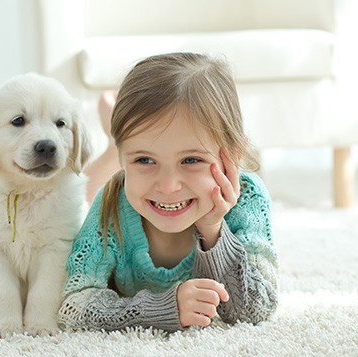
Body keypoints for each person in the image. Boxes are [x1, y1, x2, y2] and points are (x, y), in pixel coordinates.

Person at [59, 52, 279, 332]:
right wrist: (162, 308)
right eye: (144, 160)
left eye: (191, 160)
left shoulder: (248, 198)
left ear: (231, 157)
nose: (167, 186)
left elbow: (255, 310)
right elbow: (73, 305)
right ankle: (112, 145)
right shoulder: (111, 203)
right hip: (117, 181)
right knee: (77, 195)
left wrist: (213, 231)